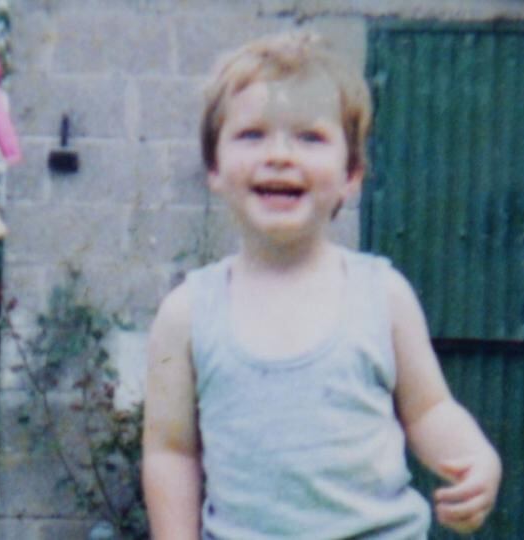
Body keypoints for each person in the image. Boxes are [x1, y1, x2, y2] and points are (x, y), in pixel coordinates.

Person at [142, 31, 502, 539]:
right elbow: (170, 452)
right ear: (215, 168)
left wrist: (476, 459)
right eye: (252, 135)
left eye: (309, 137)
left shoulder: (383, 296)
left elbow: (430, 410)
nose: (280, 155)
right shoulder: (187, 314)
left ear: (351, 174)